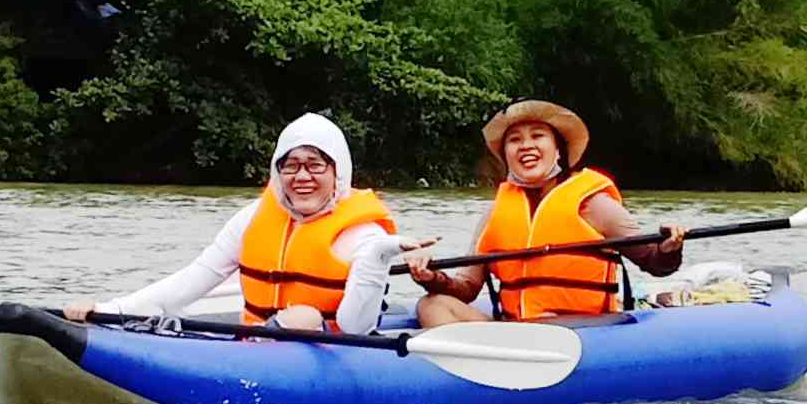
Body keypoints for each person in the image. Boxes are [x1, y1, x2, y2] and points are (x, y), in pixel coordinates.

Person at [68, 113, 419, 335]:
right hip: (255, 340)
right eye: (290, 165)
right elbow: (191, 282)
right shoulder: (253, 218)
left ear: (337, 172)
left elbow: (359, 327)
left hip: (333, 351)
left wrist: (377, 258)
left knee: (304, 316)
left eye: (315, 165)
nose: (302, 176)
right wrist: (109, 309)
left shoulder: (363, 235)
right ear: (276, 171)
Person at [409, 99, 683, 327]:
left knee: (544, 326)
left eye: (537, 136)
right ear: (506, 154)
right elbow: (467, 288)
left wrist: (669, 248)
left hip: (583, 328)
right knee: (433, 305)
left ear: (558, 149)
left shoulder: (592, 203)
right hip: (520, 329)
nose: (526, 145)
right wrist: (432, 277)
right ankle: (473, 375)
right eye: (514, 140)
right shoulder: (495, 213)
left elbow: (654, 262)